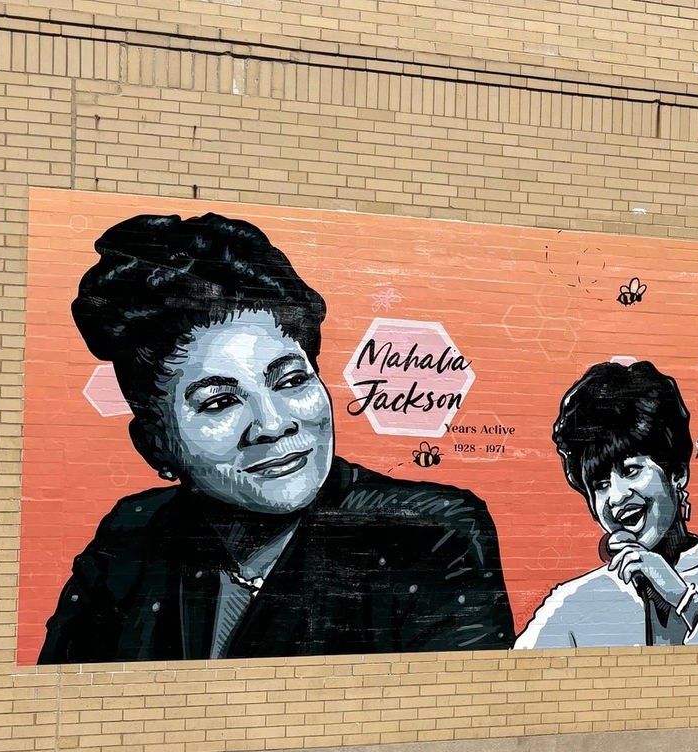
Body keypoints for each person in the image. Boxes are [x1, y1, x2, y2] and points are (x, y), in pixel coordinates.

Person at [39, 213, 515, 663]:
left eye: (290, 381)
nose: (273, 423)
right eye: (219, 402)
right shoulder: (132, 537)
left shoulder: (429, 534)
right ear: (155, 445)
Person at [514, 361, 698, 649]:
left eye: (631, 470)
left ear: (677, 472)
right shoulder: (575, 605)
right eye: (600, 485)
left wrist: (685, 601)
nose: (617, 497)